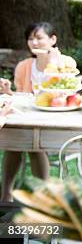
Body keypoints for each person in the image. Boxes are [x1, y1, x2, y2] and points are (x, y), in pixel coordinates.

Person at [1, 22, 57, 201]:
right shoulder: (24, 66)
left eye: (39, 38)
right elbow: (22, 97)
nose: (34, 42)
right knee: (14, 143)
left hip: (52, 120)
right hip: (28, 118)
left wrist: (53, 64)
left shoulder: (63, 63)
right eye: (30, 39)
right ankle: (6, 195)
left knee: (33, 144)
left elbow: (61, 93)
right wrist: (9, 92)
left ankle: (42, 196)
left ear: (52, 39)